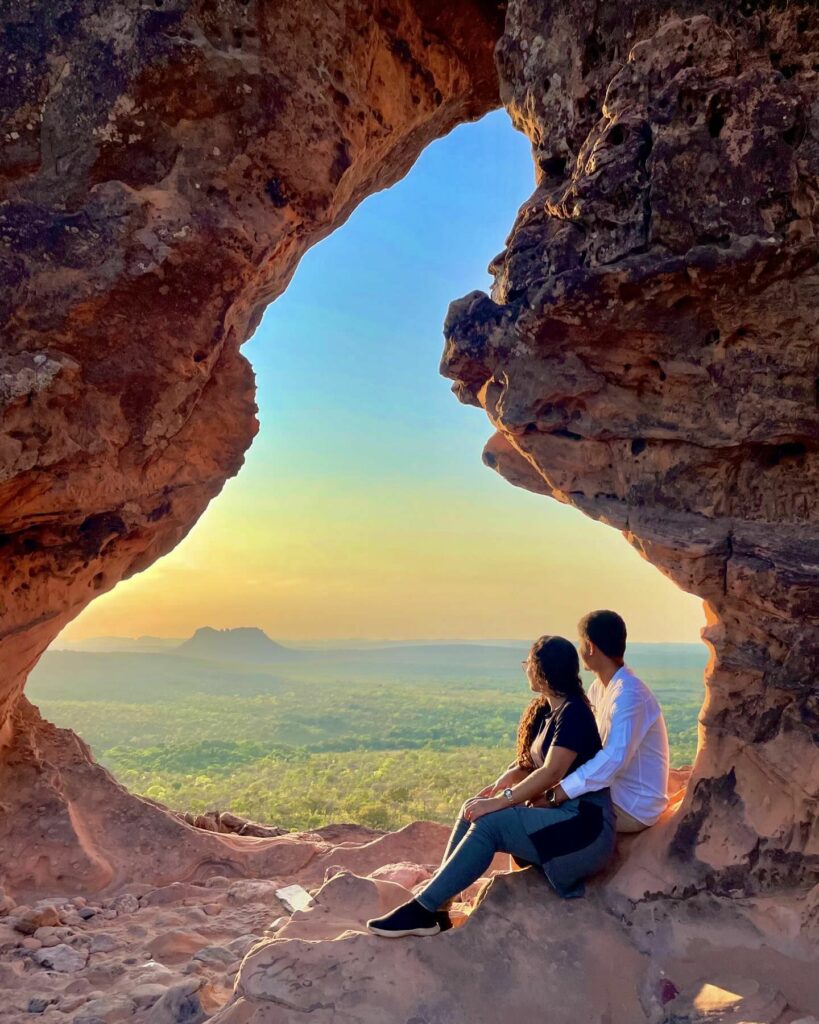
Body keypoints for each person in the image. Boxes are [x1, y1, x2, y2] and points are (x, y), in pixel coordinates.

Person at [367, 635, 616, 938]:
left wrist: (501, 802)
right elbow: (531, 763)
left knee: (491, 824)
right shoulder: (549, 710)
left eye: (528, 663)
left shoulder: (575, 712)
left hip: (583, 830)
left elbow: (552, 771)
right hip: (559, 817)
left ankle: (422, 910)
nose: (525, 669)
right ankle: (437, 909)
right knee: (472, 809)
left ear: (541, 670)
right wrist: (501, 783)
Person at [548, 610, 669, 833]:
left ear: (591, 647)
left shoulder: (630, 694)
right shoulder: (600, 688)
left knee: (534, 816)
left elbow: (613, 759)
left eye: (581, 642)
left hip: (632, 806)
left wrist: (558, 793)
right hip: (613, 791)